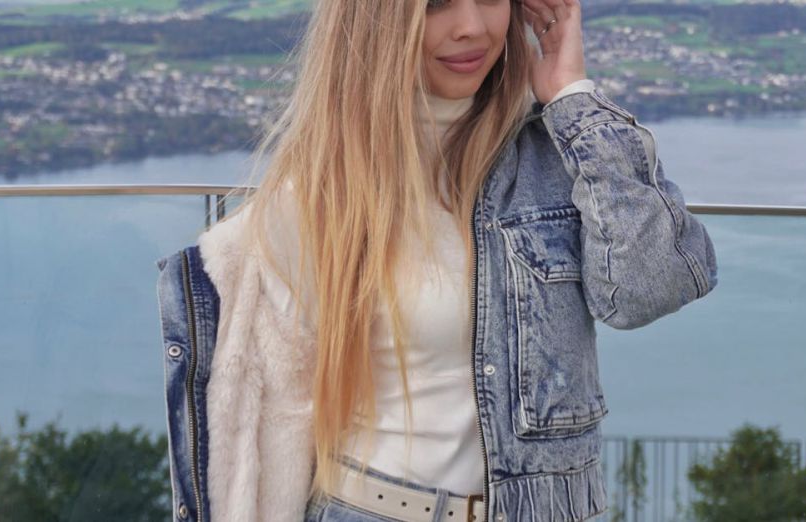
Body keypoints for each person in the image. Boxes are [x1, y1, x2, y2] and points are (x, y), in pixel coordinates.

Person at [154, 0, 719, 520]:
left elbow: (654, 285)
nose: (472, 25)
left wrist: (572, 95)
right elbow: (273, 430)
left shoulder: (554, 158)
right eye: (438, 3)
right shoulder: (322, 196)